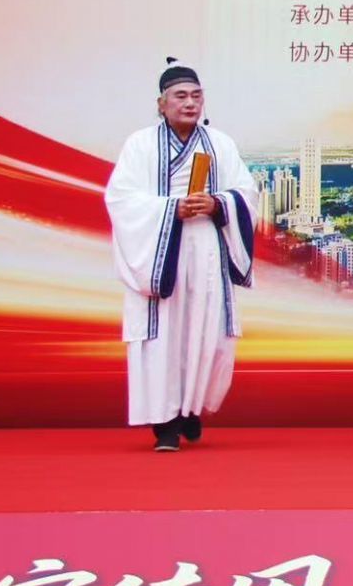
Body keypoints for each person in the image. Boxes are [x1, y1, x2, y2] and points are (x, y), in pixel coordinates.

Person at [104, 60, 259, 452]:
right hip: (160, 251)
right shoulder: (140, 144)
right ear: (162, 103)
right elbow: (121, 199)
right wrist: (171, 208)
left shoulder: (220, 144)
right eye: (180, 96)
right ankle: (165, 423)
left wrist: (217, 203)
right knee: (163, 336)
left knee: (205, 330)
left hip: (206, 248)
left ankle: (190, 407)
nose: (190, 103)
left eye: (196, 96)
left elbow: (246, 191)